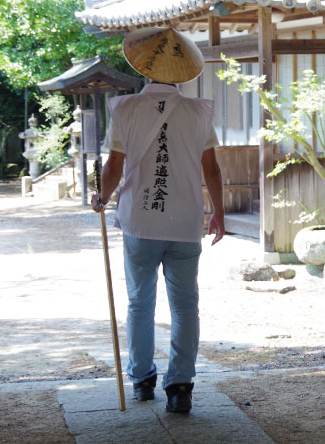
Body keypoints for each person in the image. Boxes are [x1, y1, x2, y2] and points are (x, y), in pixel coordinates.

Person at [91, 27, 225, 414]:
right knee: (185, 307)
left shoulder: (125, 109)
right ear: (183, 71)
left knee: (139, 304)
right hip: (184, 223)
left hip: (139, 223)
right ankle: (180, 385)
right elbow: (211, 169)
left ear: (145, 66)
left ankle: (142, 379)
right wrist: (218, 211)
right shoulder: (198, 112)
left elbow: (115, 166)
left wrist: (102, 198)